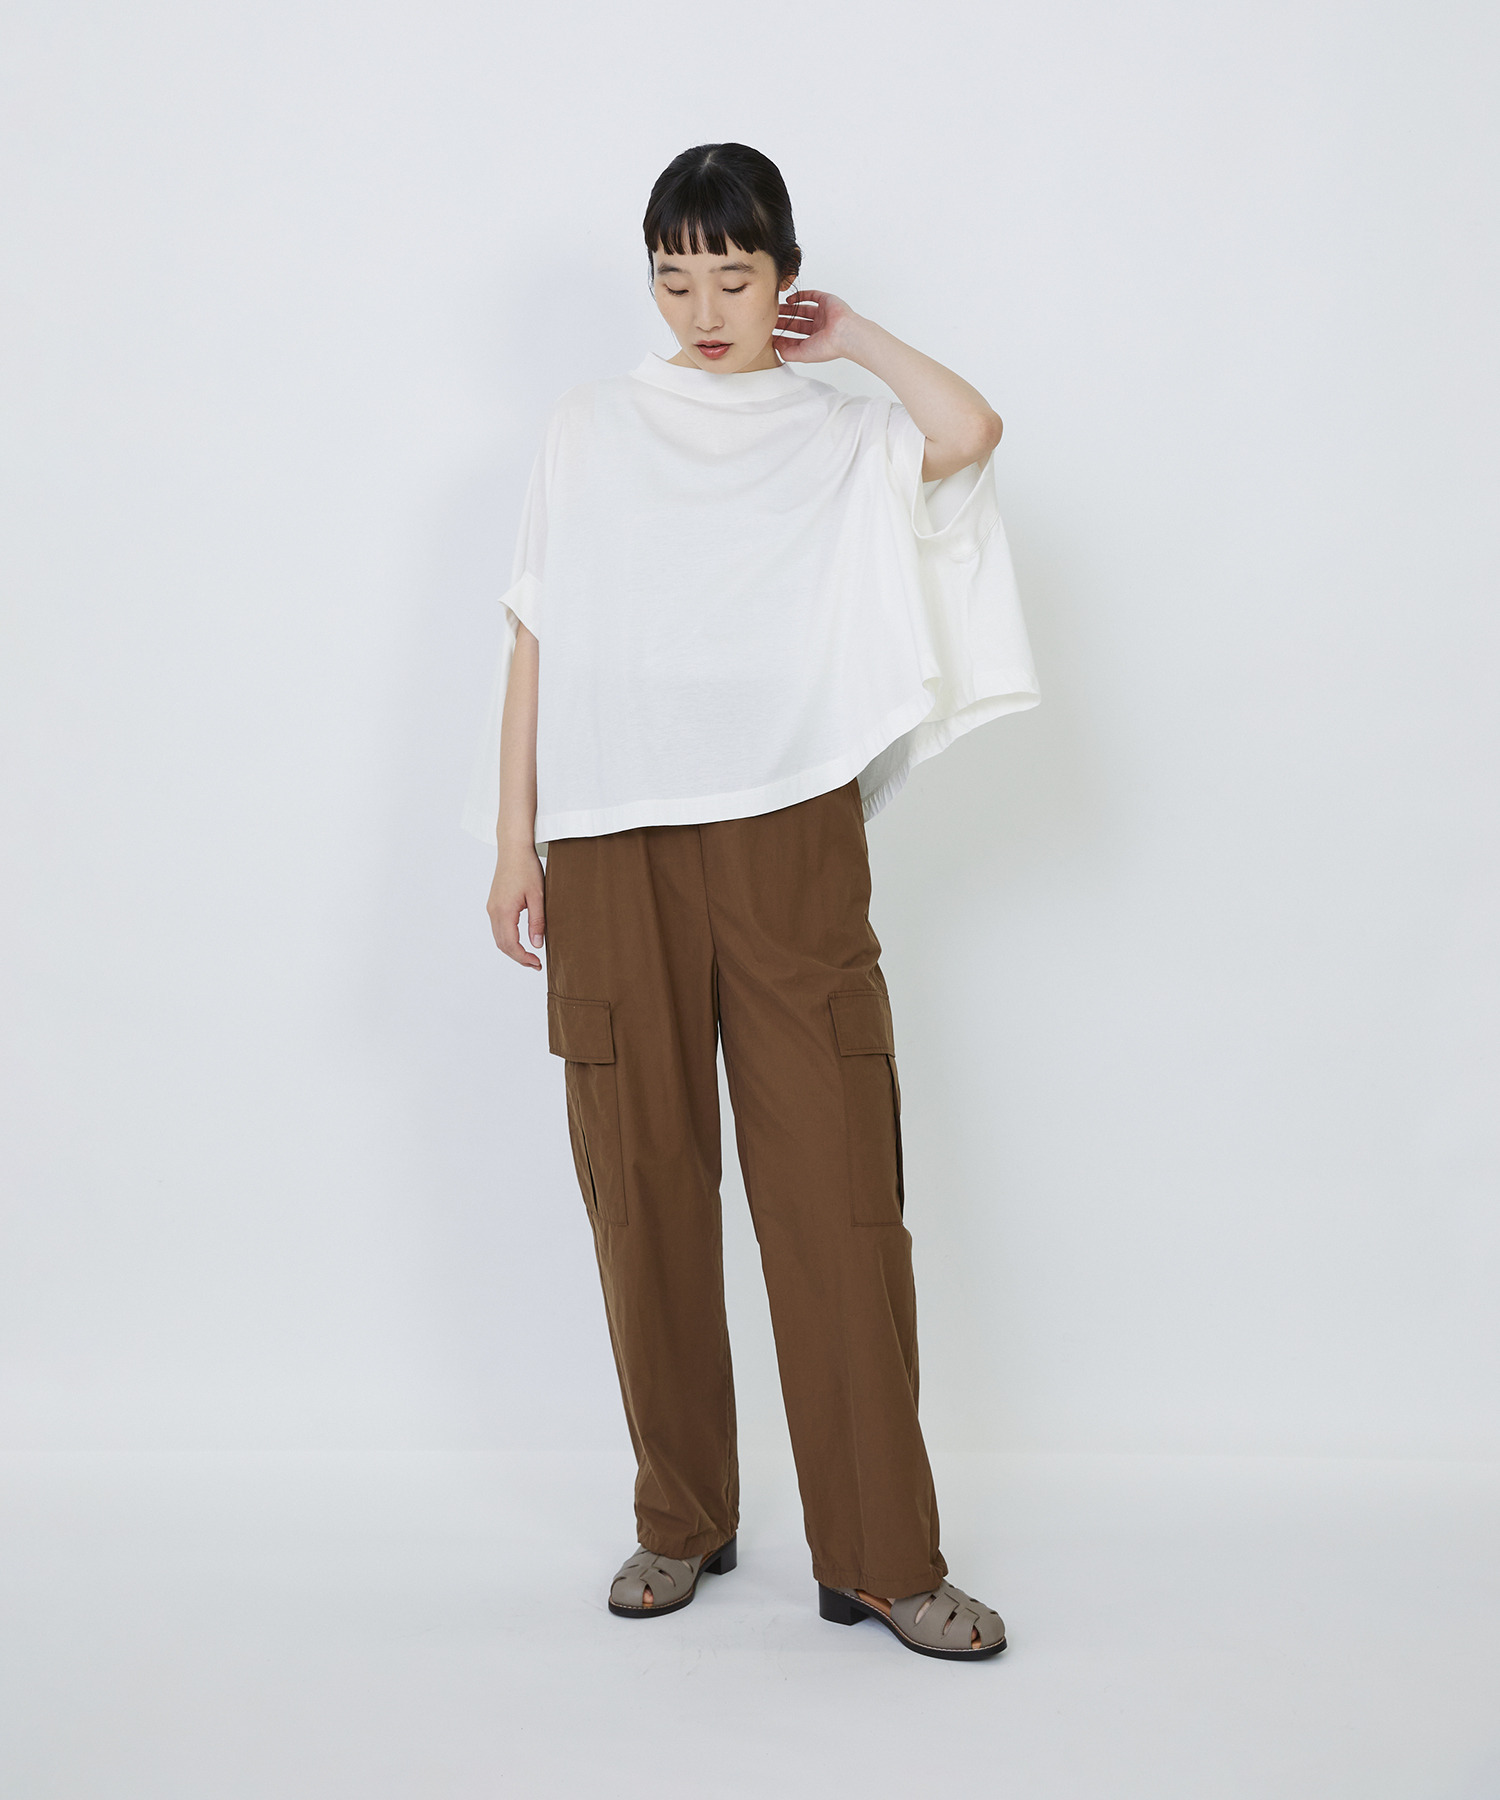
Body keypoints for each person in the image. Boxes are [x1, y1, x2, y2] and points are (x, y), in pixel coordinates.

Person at [464, 142, 1038, 1661]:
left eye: (734, 276)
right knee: (643, 1189)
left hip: (789, 834)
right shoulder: (589, 428)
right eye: (675, 279)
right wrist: (515, 840)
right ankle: (682, 1520)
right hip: (610, 840)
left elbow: (971, 431)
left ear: (786, 275)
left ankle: (883, 1556)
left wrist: (856, 341)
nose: (704, 309)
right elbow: (535, 635)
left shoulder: (838, 431)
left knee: (836, 1193)